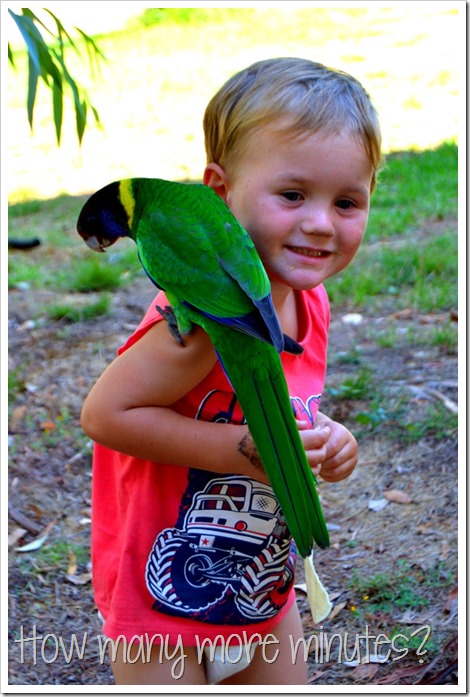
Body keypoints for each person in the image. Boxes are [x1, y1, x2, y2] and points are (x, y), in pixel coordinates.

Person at [80, 57, 381, 685]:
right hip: (160, 596)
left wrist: (325, 438)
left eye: (347, 201)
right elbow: (104, 415)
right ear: (220, 191)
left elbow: (281, 400)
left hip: (260, 582)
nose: (321, 222)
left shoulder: (309, 303)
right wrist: (242, 450)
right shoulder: (196, 328)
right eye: (293, 195)